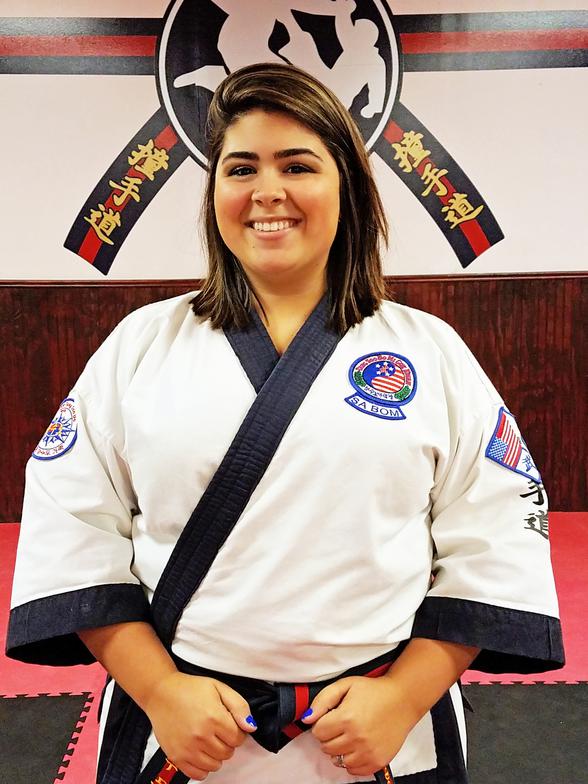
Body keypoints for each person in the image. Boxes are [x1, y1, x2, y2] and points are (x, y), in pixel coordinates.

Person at [7, 63, 563, 784]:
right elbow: (73, 525)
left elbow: (496, 532)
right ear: (214, 193)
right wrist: (160, 690)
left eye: (297, 165)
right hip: (184, 725)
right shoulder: (140, 346)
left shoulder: (430, 350)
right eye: (241, 168)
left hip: (378, 728)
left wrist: (403, 695)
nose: (267, 191)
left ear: (347, 188)